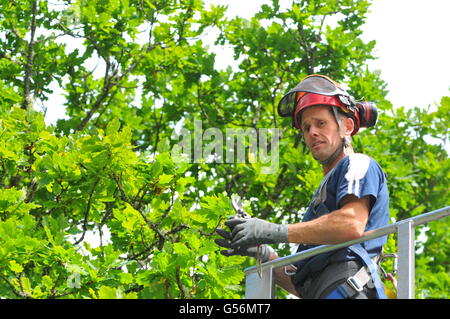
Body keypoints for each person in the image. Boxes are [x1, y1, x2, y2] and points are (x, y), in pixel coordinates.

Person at [215, 74, 390, 299]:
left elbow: (351, 223)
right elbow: (300, 285)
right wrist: (263, 251)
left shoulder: (358, 163)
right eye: (306, 128)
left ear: (347, 126)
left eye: (321, 123)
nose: (312, 132)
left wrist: (271, 230)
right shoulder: (319, 210)